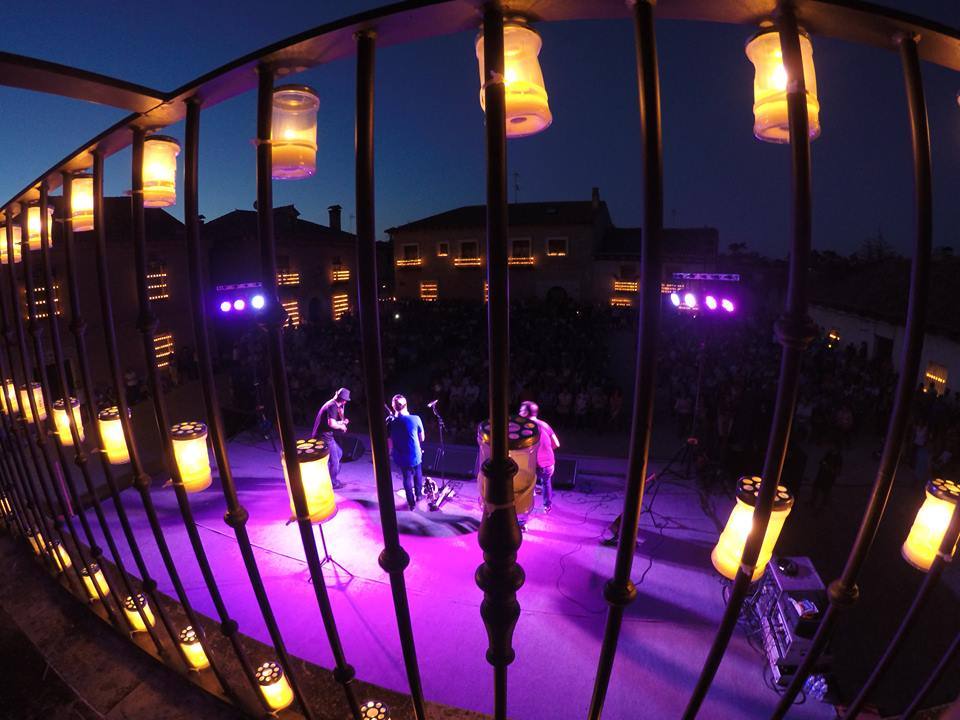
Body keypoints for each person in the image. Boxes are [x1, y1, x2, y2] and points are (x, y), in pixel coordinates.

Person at [519, 400, 560, 514]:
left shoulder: (525, 427)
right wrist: (545, 451)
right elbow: (557, 444)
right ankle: (547, 506)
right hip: (549, 463)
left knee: (525, 485)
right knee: (546, 482)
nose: (519, 412)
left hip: (535, 464)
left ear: (526, 412)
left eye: (521, 410)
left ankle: (524, 513)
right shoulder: (545, 424)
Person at [387, 394, 425, 511]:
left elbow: (389, 440)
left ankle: (411, 502)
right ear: (406, 405)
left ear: (393, 407)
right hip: (415, 454)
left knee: (406, 477)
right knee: (418, 475)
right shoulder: (416, 418)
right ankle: (418, 495)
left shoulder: (390, 422)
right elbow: (422, 438)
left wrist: (390, 453)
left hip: (401, 455)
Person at [312, 387, 350, 489]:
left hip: (326, 436)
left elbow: (330, 422)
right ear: (344, 401)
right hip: (323, 438)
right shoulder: (332, 406)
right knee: (335, 461)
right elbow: (331, 423)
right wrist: (341, 426)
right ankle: (332, 483)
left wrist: (342, 422)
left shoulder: (331, 404)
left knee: (339, 453)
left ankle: (326, 476)